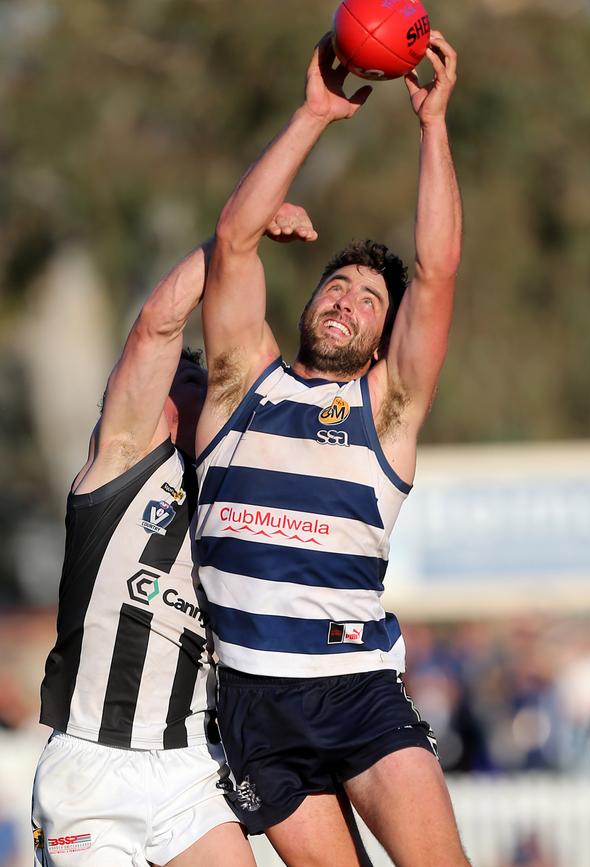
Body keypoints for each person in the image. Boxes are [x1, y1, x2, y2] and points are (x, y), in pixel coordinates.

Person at [194, 29, 469, 867]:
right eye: (336, 286)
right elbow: (234, 241)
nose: (346, 300)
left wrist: (433, 127)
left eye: (368, 300)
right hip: (252, 708)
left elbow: (435, 268)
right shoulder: (244, 384)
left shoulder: (384, 407)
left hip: (356, 694)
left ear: (388, 338)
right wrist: (314, 112)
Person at [32, 204, 316, 867]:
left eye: (199, 384)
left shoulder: (240, 505)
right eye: (183, 381)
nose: (187, 393)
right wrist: (230, 242)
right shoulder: (122, 466)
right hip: (93, 766)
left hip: (191, 764)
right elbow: (158, 326)